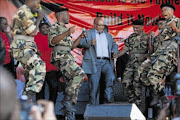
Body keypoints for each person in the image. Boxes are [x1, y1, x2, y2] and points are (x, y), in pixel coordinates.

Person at [138, 3, 180, 108]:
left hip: (168, 55)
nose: (163, 12)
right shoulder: (162, 31)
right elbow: (153, 49)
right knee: (141, 70)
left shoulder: (177, 21)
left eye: (165, 10)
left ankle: (162, 97)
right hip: (157, 54)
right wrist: (151, 40)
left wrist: (175, 28)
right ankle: (156, 90)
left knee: (152, 75)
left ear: (171, 11)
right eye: (162, 11)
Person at [48, 7, 85, 120]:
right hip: (60, 57)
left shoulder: (64, 28)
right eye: (67, 15)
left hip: (68, 56)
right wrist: (67, 32)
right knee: (79, 73)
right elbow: (53, 41)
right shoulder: (54, 27)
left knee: (72, 83)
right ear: (60, 16)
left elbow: (72, 46)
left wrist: (80, 37)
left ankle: (68, 112)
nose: (69, 17)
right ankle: (67, 101)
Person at [10, 0, 46, 104]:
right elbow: (32, 31)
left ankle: (25, 103)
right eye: (37, 2)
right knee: (39, 66)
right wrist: (39, 18)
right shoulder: (24, 12)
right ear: (30, 2)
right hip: (21, 47)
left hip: (25, 46)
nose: (38, 6)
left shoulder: (26, 12)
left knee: (30, 75)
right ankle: (27, 97)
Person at [78, 17, 118, 105]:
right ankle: (93, 107)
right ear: (94, 25)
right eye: (100, 25)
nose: (102, 27)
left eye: (103, 25)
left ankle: (108, 102)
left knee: (111, 78)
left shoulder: (108, 35)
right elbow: (79, 43)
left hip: (106, 62)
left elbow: (115, 45)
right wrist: (89, 43)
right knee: (94, 86)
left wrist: (114, 51)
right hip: (94, 61)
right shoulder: (89, 33)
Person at [119, 19, 149, 109]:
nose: (135, 29)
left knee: (137, 84)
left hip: (141, 65)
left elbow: (152, 52)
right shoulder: (131, 37)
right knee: (125, 81)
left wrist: (144, 55)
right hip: (131, 63)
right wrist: (117, 54)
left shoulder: (147, 37)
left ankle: (138, 104)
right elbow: (125, 49)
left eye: (137, 27)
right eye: (134, 27)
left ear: (142, 27)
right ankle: (132, 101)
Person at [138, 18, 168, 107]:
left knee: (153, 75)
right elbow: (151, 52)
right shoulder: (157, 37)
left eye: (162, 24)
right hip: (156, 62)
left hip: (166, 62)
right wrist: (151, 40)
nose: (160, 26)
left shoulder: (170, 37)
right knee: (143, 73)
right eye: (158, 24)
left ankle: (161, 95)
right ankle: (156, 94)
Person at [34, 22, 60, 105]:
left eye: (47, 27)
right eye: (43, 28)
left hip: (51, 68)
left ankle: (50, 108)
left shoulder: (52, 38)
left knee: (54, 88)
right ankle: (41, 112)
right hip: (39, 68)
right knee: (40, 91)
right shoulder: (35, 38)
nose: (45, 29)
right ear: (39, 29)